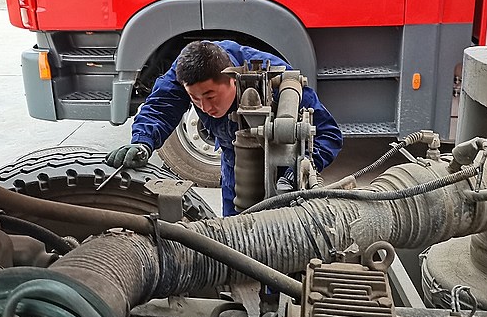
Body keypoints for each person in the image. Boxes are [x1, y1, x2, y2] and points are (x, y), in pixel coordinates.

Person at [105, 40, 343, 216]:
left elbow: (329, 134)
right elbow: (160, 107)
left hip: (280, 172)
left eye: (210, 96)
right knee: (233, 236)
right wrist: (142, 142)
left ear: (233, 79)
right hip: (234, 166)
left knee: (278, 242)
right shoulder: (186, 71)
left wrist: (297, 170)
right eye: (195, 99)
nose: (205, 107)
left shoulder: (277, 79)